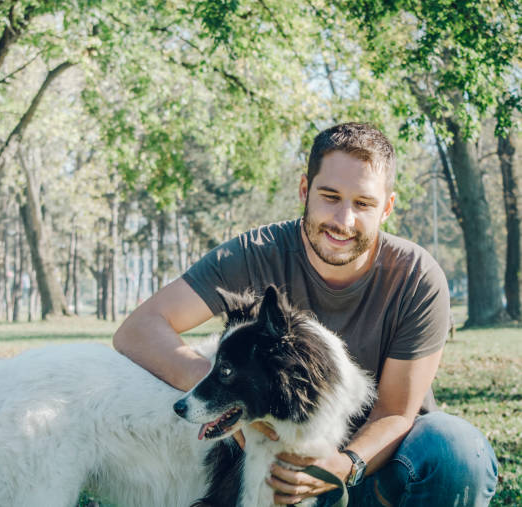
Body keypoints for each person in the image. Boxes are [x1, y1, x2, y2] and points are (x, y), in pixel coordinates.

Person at [113, 122, 498, 506]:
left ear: (387, 208)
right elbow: (140, 330)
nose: (343, 220)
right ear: (304, 190)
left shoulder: (417, 276)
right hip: (278, 471)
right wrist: (226, 396)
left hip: (373, 467)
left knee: (458, 450)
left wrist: (343, 466)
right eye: (330, 196)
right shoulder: (253, 254)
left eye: (363, 203)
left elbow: (395, 411)